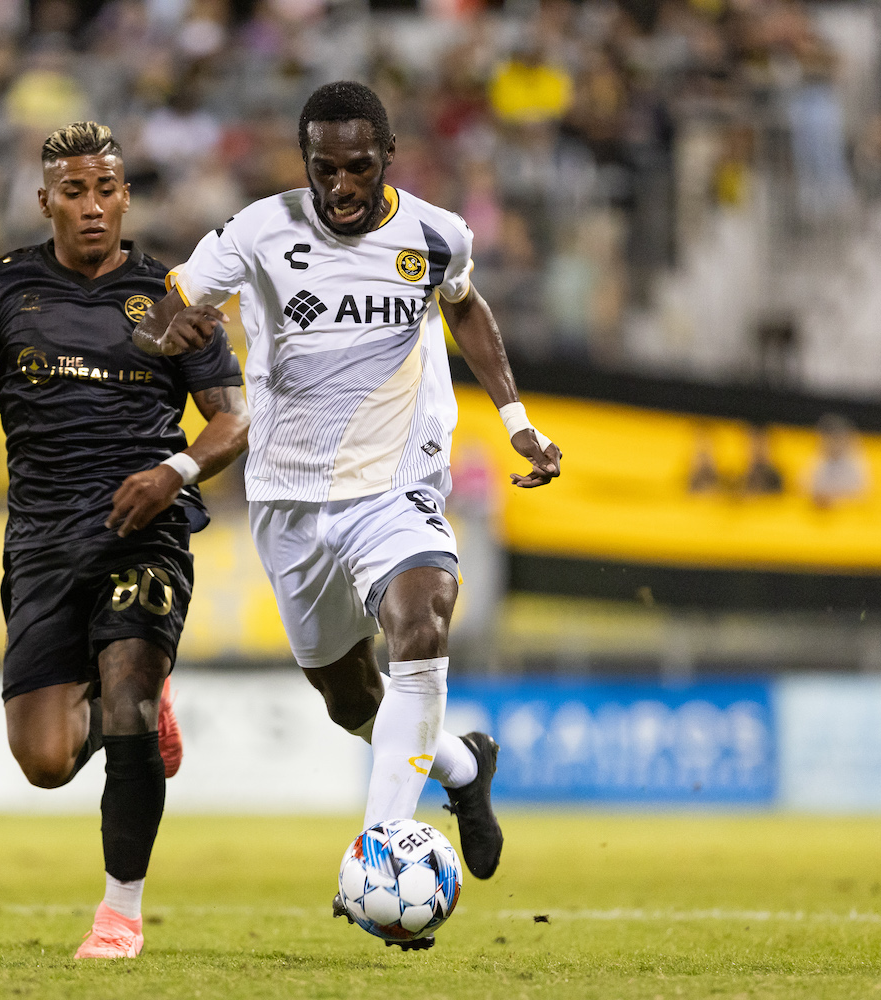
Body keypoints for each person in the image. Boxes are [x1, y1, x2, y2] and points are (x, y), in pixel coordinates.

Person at [134, 82, 562, 947]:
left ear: (388, 157)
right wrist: (169, 332)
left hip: (395, 484)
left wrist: (517, 421)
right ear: (305, 163)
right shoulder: (260, 229)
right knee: (348, 697)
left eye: (357, 167)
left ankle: (379, 855)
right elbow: (173, 299)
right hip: (290, 499)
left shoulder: (437, 235)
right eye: (323, 168)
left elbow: (466, 306)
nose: (340, 186)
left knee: (422, 618)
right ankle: (463, 767)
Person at [0, 122, 249, 960]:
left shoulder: (170, 294)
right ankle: (137, 713)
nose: (93, 208)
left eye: (108, 190)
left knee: (124, 691)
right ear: (45, 199)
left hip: (144, 531)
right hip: (44, 544)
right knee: (47, 761)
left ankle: (118, 915)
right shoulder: (4, 289)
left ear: (126, 196)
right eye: (76, 192)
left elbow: (233, 419)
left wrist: (173, 474)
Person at [807, 413, 867, 507]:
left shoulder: (857, 466)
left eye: (837, 439)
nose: (832, 443)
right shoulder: (816, 463)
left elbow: (860, 496)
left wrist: (834, 501)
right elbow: (806, 490)